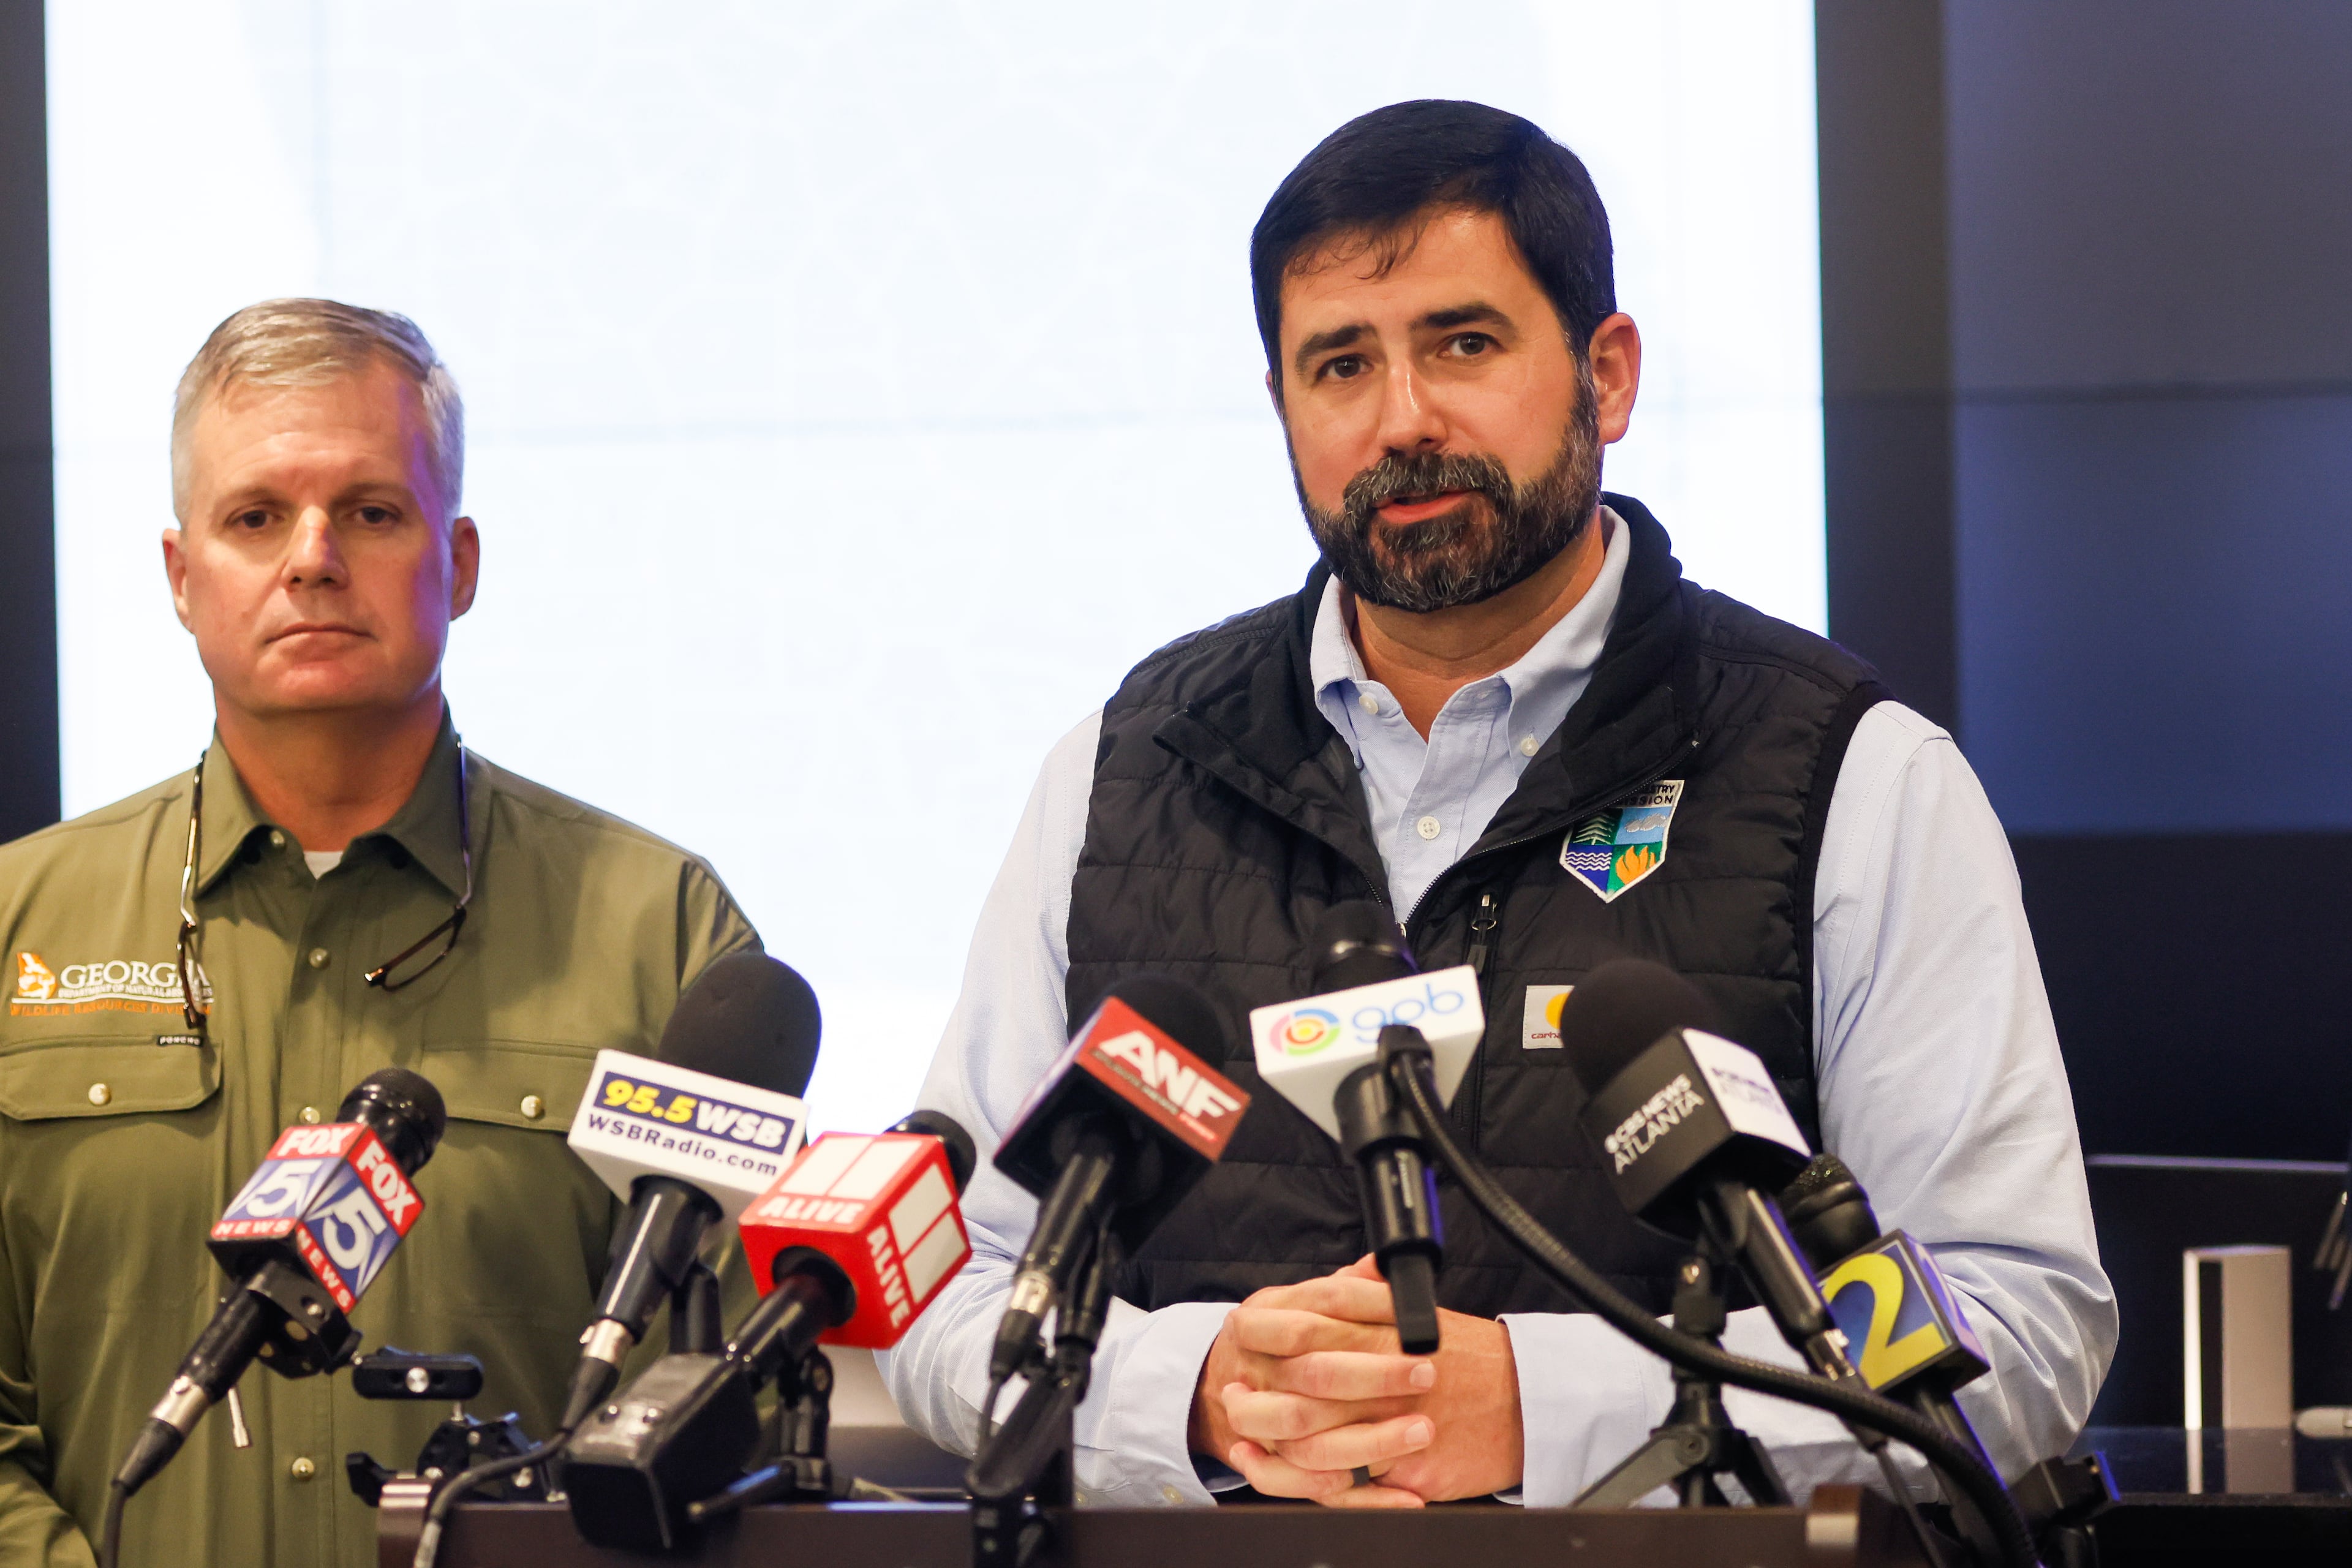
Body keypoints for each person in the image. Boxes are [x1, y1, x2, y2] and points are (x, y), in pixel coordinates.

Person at [883, 101, 2115, 1509]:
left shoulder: (1855, 774)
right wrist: (1204, 1392)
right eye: (1340, 364)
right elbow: (937, 1281)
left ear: (1608, 374)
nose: (1404, 420)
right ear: (1282, 408)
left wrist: (1541, 1408)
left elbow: (2012, 1325)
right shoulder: (1121, 770)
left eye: (1464, 344)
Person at [0, 300, 760, 1565]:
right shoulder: (18, 924)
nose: (311, 557)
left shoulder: (663, 932)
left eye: (370, 510)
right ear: (183, 578)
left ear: (456, 563)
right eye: (256, 517)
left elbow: (734, 1399)